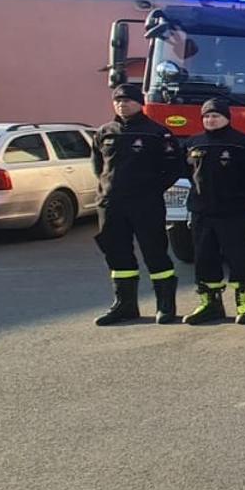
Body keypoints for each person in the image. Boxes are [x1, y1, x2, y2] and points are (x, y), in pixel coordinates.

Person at [90, 83, 186, 326]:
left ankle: (165, 306)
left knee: (155, 253)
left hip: (146, 204)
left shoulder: (157, 133)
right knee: (117, 254)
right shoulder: (104, 132)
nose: (122, 104)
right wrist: (106, 191)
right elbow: (98, 167)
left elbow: (174, 167)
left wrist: (152, 188)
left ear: (139, 103)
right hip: (111, 205)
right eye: (118, 100)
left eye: (128, 100)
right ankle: (125, 305)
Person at [183, 97, 245, 325]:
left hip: (233, 212)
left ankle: (244, 304)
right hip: (202, 212)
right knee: (204, 259)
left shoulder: (242, 143)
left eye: (216, 116)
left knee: (238, 258)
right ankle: (210, 305)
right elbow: (185, 172)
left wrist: (243, 197)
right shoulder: (194, 142)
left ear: (226, 118)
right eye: (207, 116)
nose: (211, 120)